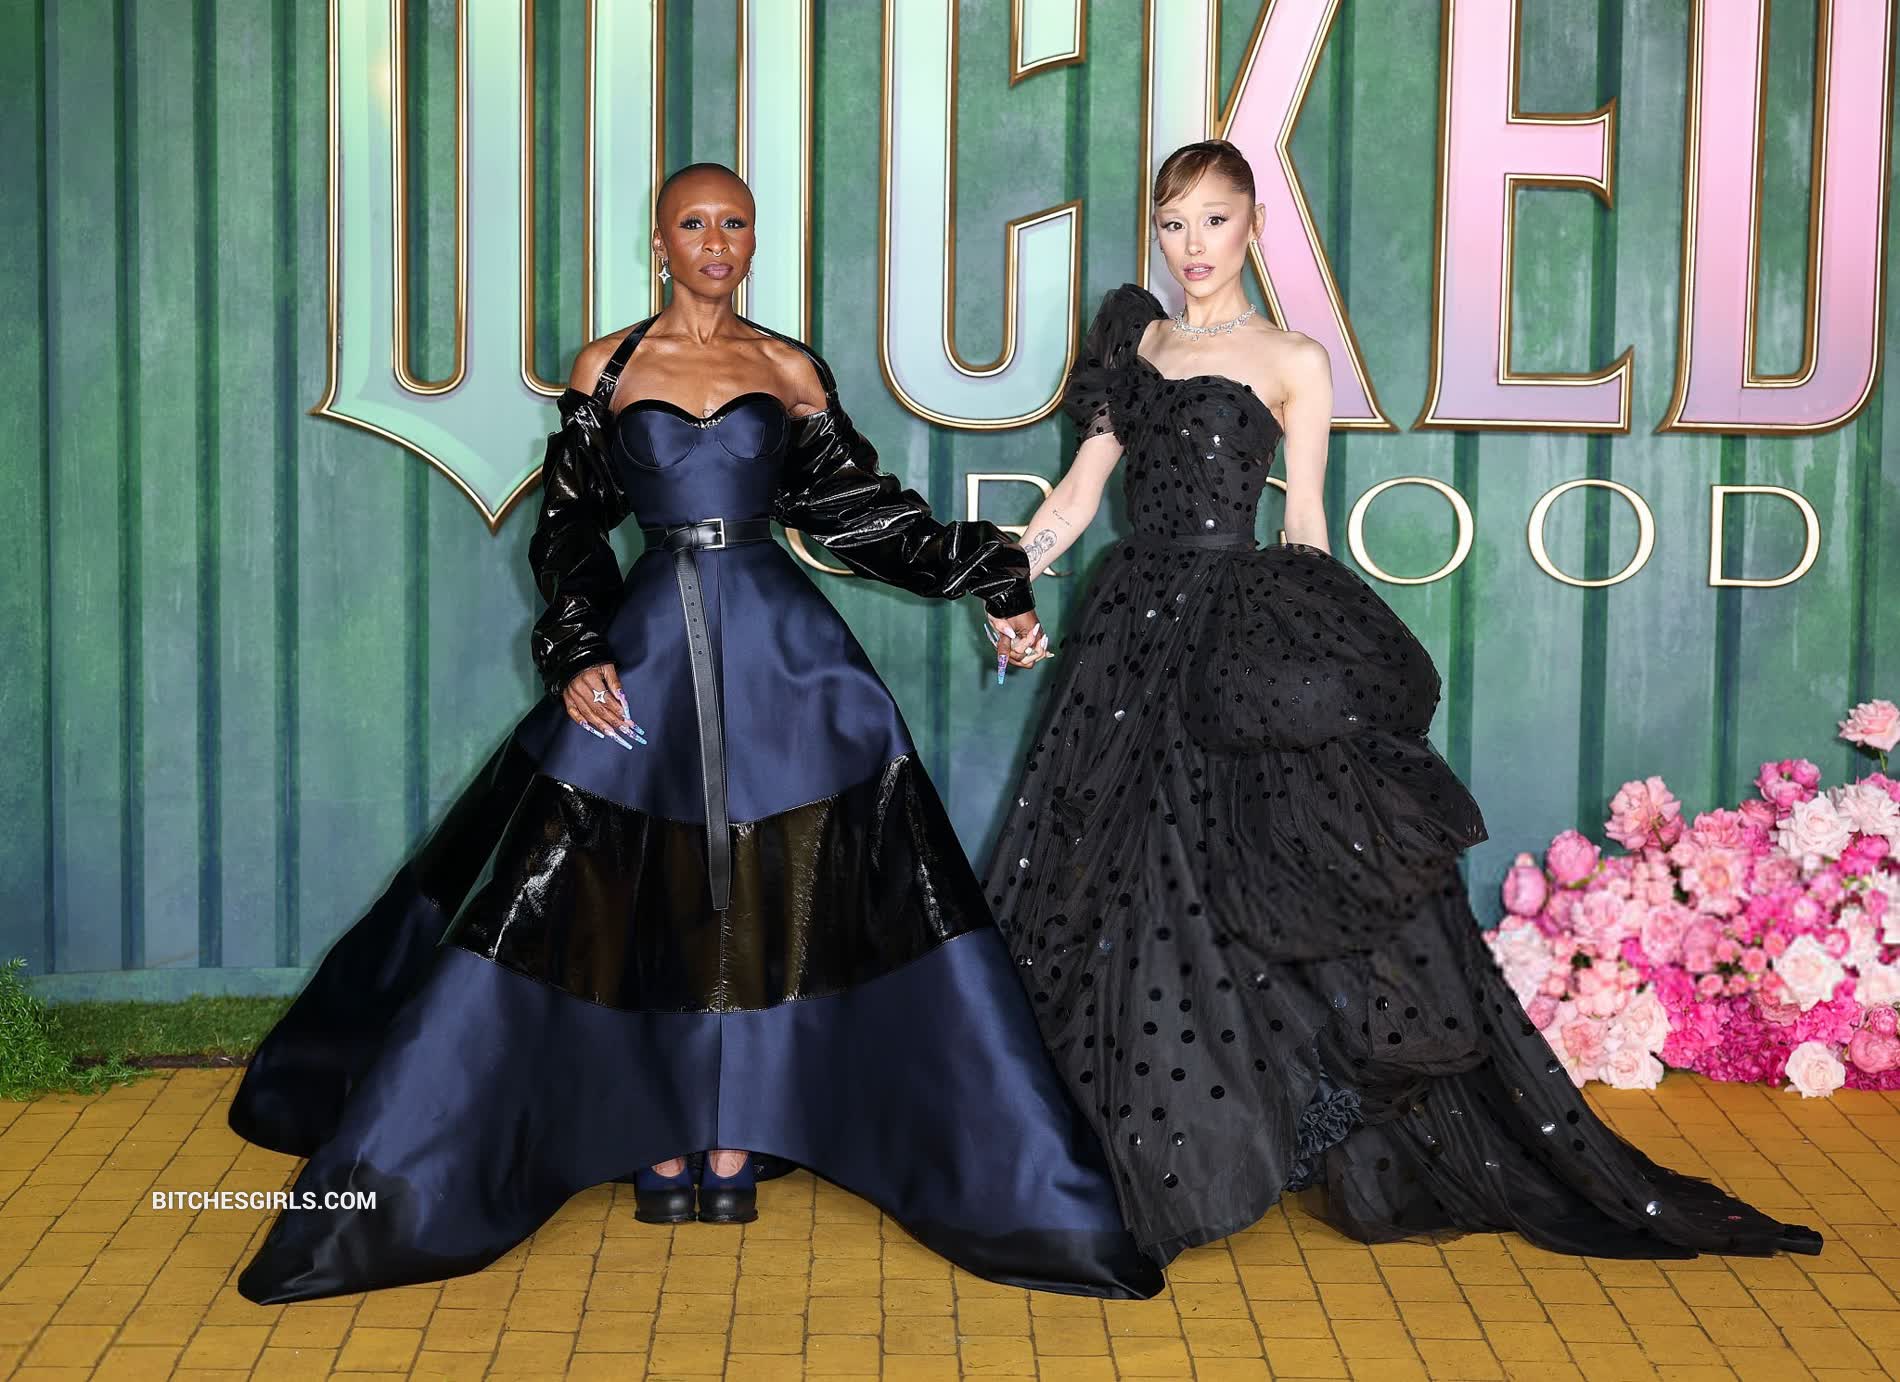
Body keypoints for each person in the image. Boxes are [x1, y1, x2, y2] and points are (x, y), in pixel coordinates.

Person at [227, 162, 1162, 1304]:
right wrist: (577, 648)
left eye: (735, 224)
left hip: (783, 652)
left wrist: (995, 575)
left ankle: (735, 1134)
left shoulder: (788, 367)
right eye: (693, 223)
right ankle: (657, 1132)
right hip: (648, 650)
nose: (715, 240)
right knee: (627, 881)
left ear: (753, 241)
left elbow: (864, 516)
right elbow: (571, 526)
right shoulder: (608, 367)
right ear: (660, 240)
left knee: (774, 881)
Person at [981, 139, 1823, 1266]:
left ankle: (1213, 1140)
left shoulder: (1293, 357)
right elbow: (1079, 494)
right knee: (1120, 878)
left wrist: (1323, 657)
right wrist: (1009, 579)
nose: (1191, 246)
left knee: (1248, 869)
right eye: (1174, 222)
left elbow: (1304, 522)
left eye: (1213, 220)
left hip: (1229, 637)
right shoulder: (1135, 340)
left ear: (1253, 226)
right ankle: (1118, 1139)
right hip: (1126, 637)